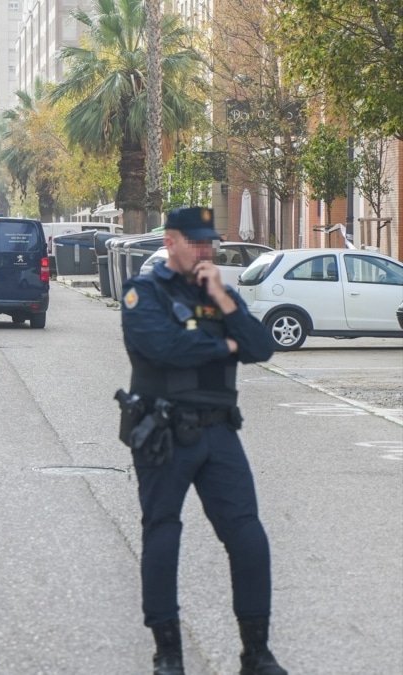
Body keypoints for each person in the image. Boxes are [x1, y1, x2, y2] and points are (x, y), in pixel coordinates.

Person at [118, 207, 285, 675]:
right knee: (164, 534)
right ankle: (168, 652)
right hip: (165, 431)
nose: (206, 249)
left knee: (248, 537)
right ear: (171, 242)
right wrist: (225, 346)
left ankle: (256, 652)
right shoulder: (143, 293)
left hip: (219, 431)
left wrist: (226, 307)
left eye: (210, 242)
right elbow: (164, 349)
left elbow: (261, 347)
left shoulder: (221, 293)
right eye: (197, 242)